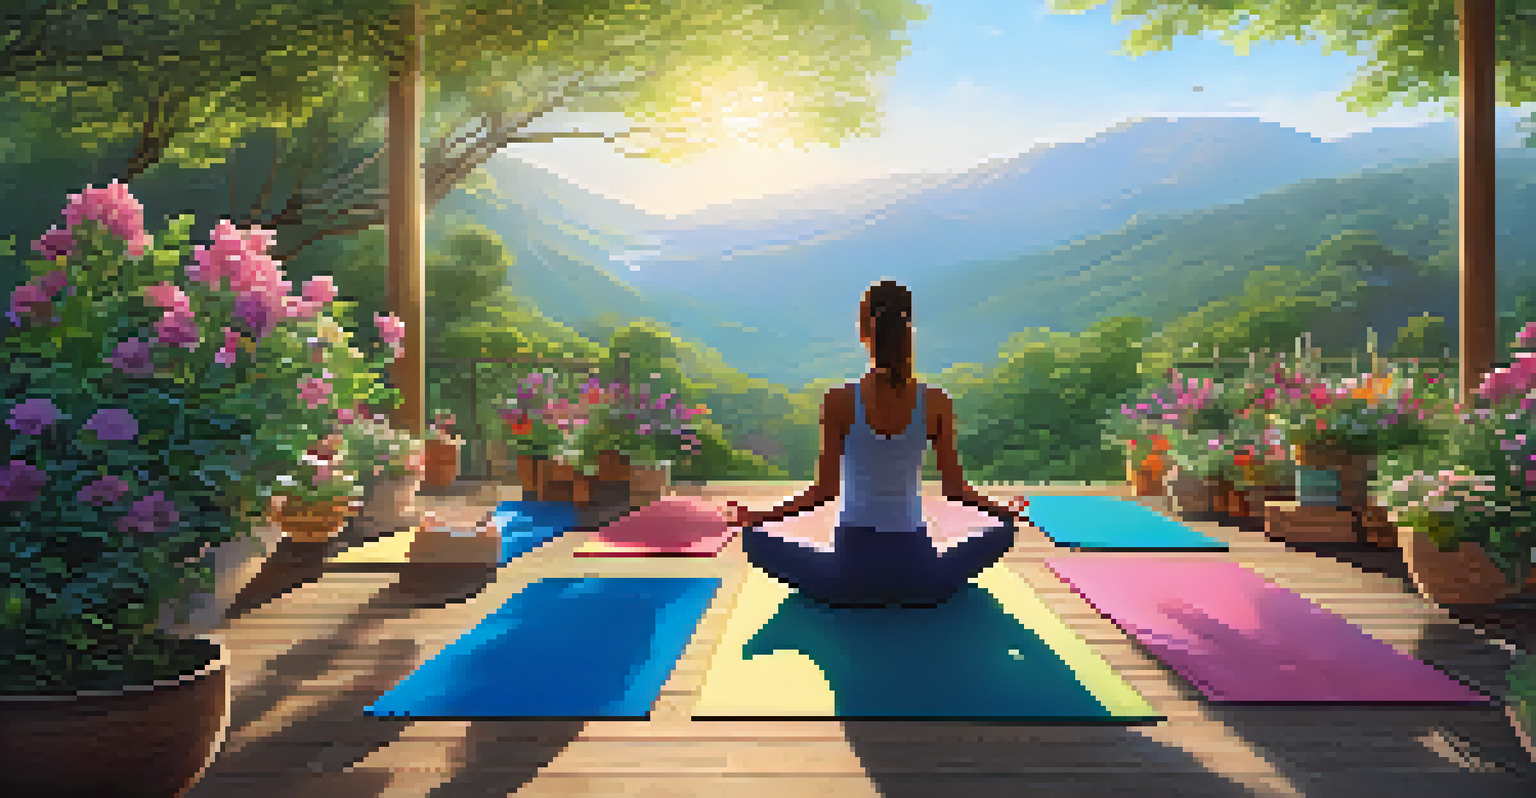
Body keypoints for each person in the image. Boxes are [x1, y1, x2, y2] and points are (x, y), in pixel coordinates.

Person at [724, 279, 1027, 607]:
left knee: (754, 541)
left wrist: (756, 515)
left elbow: (823, 492)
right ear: (910, 330)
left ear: (863, 333)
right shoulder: (937, 401)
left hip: (850, 579)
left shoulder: (839, 400)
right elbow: (955, 489)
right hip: (920, 578)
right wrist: (1002, 509)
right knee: (1005, 532)